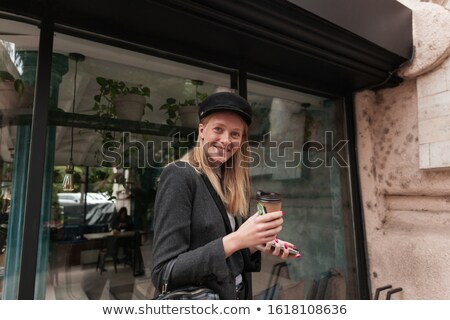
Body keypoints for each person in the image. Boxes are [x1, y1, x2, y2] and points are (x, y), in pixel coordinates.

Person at [151, 91, 300, 300]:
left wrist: (253, 244)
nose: (226, 140)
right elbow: (164, 273)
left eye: (235, 134)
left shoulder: (229, 182)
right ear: (202, 131)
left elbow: (226, 257)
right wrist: (238, 239)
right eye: (218, 129)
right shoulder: (180, 174)